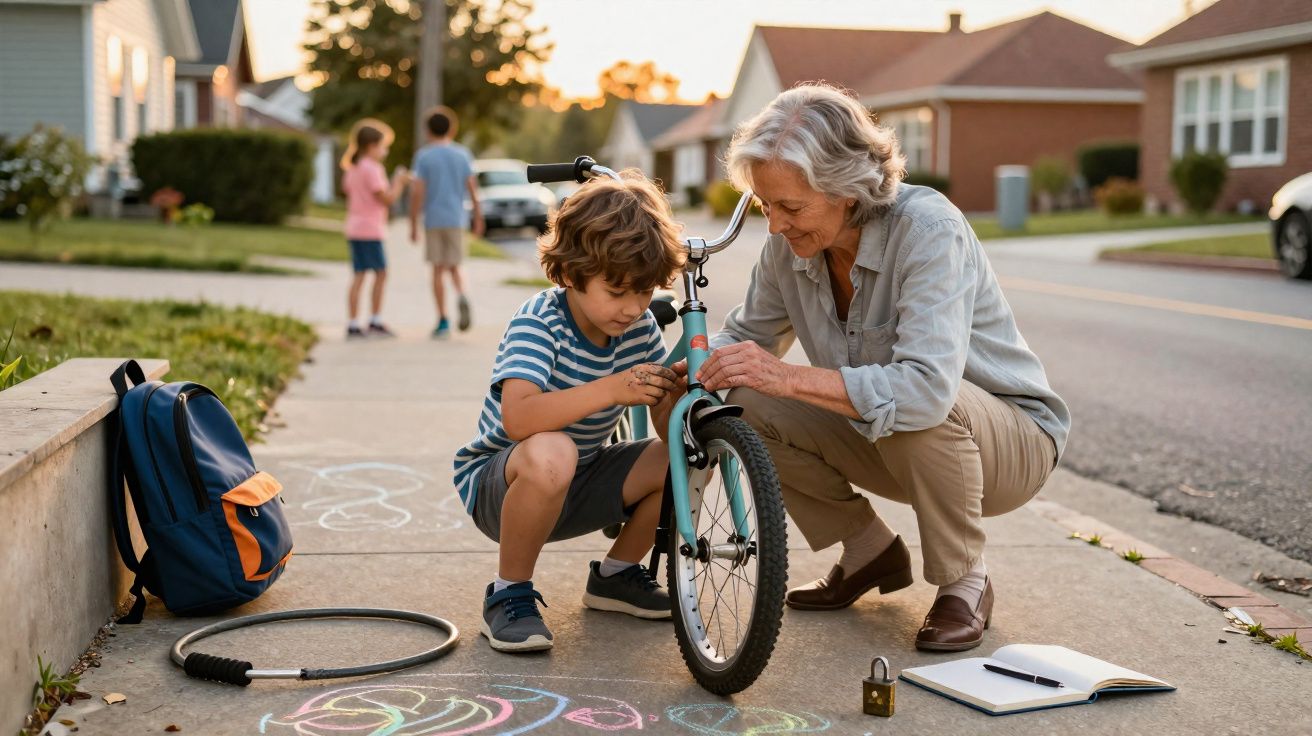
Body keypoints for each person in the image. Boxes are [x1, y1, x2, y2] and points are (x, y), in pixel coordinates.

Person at [697, 84, 1071, 653]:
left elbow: (924, 392)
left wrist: (792, 377)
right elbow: (748, 339)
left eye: (791, 207)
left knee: (916, 404)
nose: (775, 226)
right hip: (889, 438)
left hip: (1007, 446)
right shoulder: (788, 247)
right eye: (765, 205)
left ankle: (965, 581)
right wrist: (688, 366)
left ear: (847, 191)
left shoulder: (928, 230)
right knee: (735, 397)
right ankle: (869, 549)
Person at [452, 172, 686, 653]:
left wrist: (670, 399)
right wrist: (613, 388)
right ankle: (508, 593)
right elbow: (518, 419)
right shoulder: (540, 321)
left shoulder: (639, 329)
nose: (632, 308)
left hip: (578, 475)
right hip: (505, 483)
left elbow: (665, 433)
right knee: (552, 448)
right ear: (571, 273)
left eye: (644, 292)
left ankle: (616, 577)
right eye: (616, 291)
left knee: (682, 457)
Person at [410, 106, 484, 339]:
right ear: (451, 129)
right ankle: (462, 293)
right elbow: (472, 188)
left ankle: (442, 319)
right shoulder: (462, 154)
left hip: (433, 219)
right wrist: (478, 217)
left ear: (428, 130)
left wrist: (413, 221)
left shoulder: (424, 156)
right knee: (455, 266)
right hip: (456, 218)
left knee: (437, 269)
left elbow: (418, 192)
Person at [341, 118, 408, 338]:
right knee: (380, 273)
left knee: (360, 274)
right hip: (370, 230)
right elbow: (387, 198)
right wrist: (399, 182)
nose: (385, 151)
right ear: (371, 146)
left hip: (355, 228)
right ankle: (375, 320)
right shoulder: (373, 169)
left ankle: (353, 322)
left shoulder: (353, 168)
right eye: (384, 146)